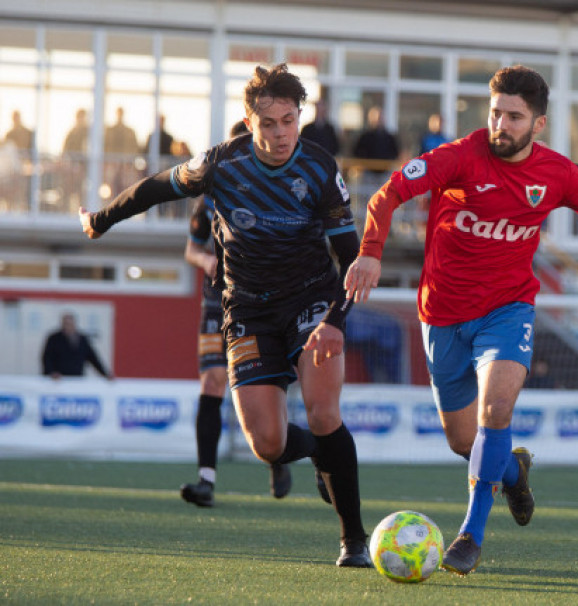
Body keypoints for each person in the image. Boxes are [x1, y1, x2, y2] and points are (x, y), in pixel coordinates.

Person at [344, 65, 578, 576]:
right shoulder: (459, 156)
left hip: (508, 311)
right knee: (465, 443)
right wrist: (371, 252)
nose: (501, 125)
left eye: (514, 116)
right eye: (495, 113)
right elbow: (389, 193)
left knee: (496, 408)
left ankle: (471, 535)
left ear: (538, 124)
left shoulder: (556, 173)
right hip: (441, 314)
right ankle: (514, 470)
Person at [79, 63, 372, 568]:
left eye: (289, 120)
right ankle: (321, 456)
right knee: (268, 445)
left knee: (325, 413)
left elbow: (352, 259)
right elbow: (155, 187)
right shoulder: (220, 164)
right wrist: (101, 221)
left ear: (300, 116)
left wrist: (335, 321)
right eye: (269, 123)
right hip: (248, 310)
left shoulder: (320, 167)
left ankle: (354, 541)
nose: (281, 134)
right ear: (249, 122)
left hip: (310, 301)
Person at [178, 119, 304, 508]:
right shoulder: (212, 194)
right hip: (218, 300)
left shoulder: (279, 190)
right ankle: (206, 480)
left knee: (266, 391)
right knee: (213, 381)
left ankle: (277, 454)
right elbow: (191, 248)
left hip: (262, 301)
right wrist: (207, 260)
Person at [42, 313, 113, 379]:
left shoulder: (82, 339)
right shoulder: (54, 338)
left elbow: (93, 358)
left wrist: (105, 374)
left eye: (70, 324)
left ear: (74, 324)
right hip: (59, 378)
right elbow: (47, 357)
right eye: (66, 324)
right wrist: (51, 372)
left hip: (77, 378)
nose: (68, 326)